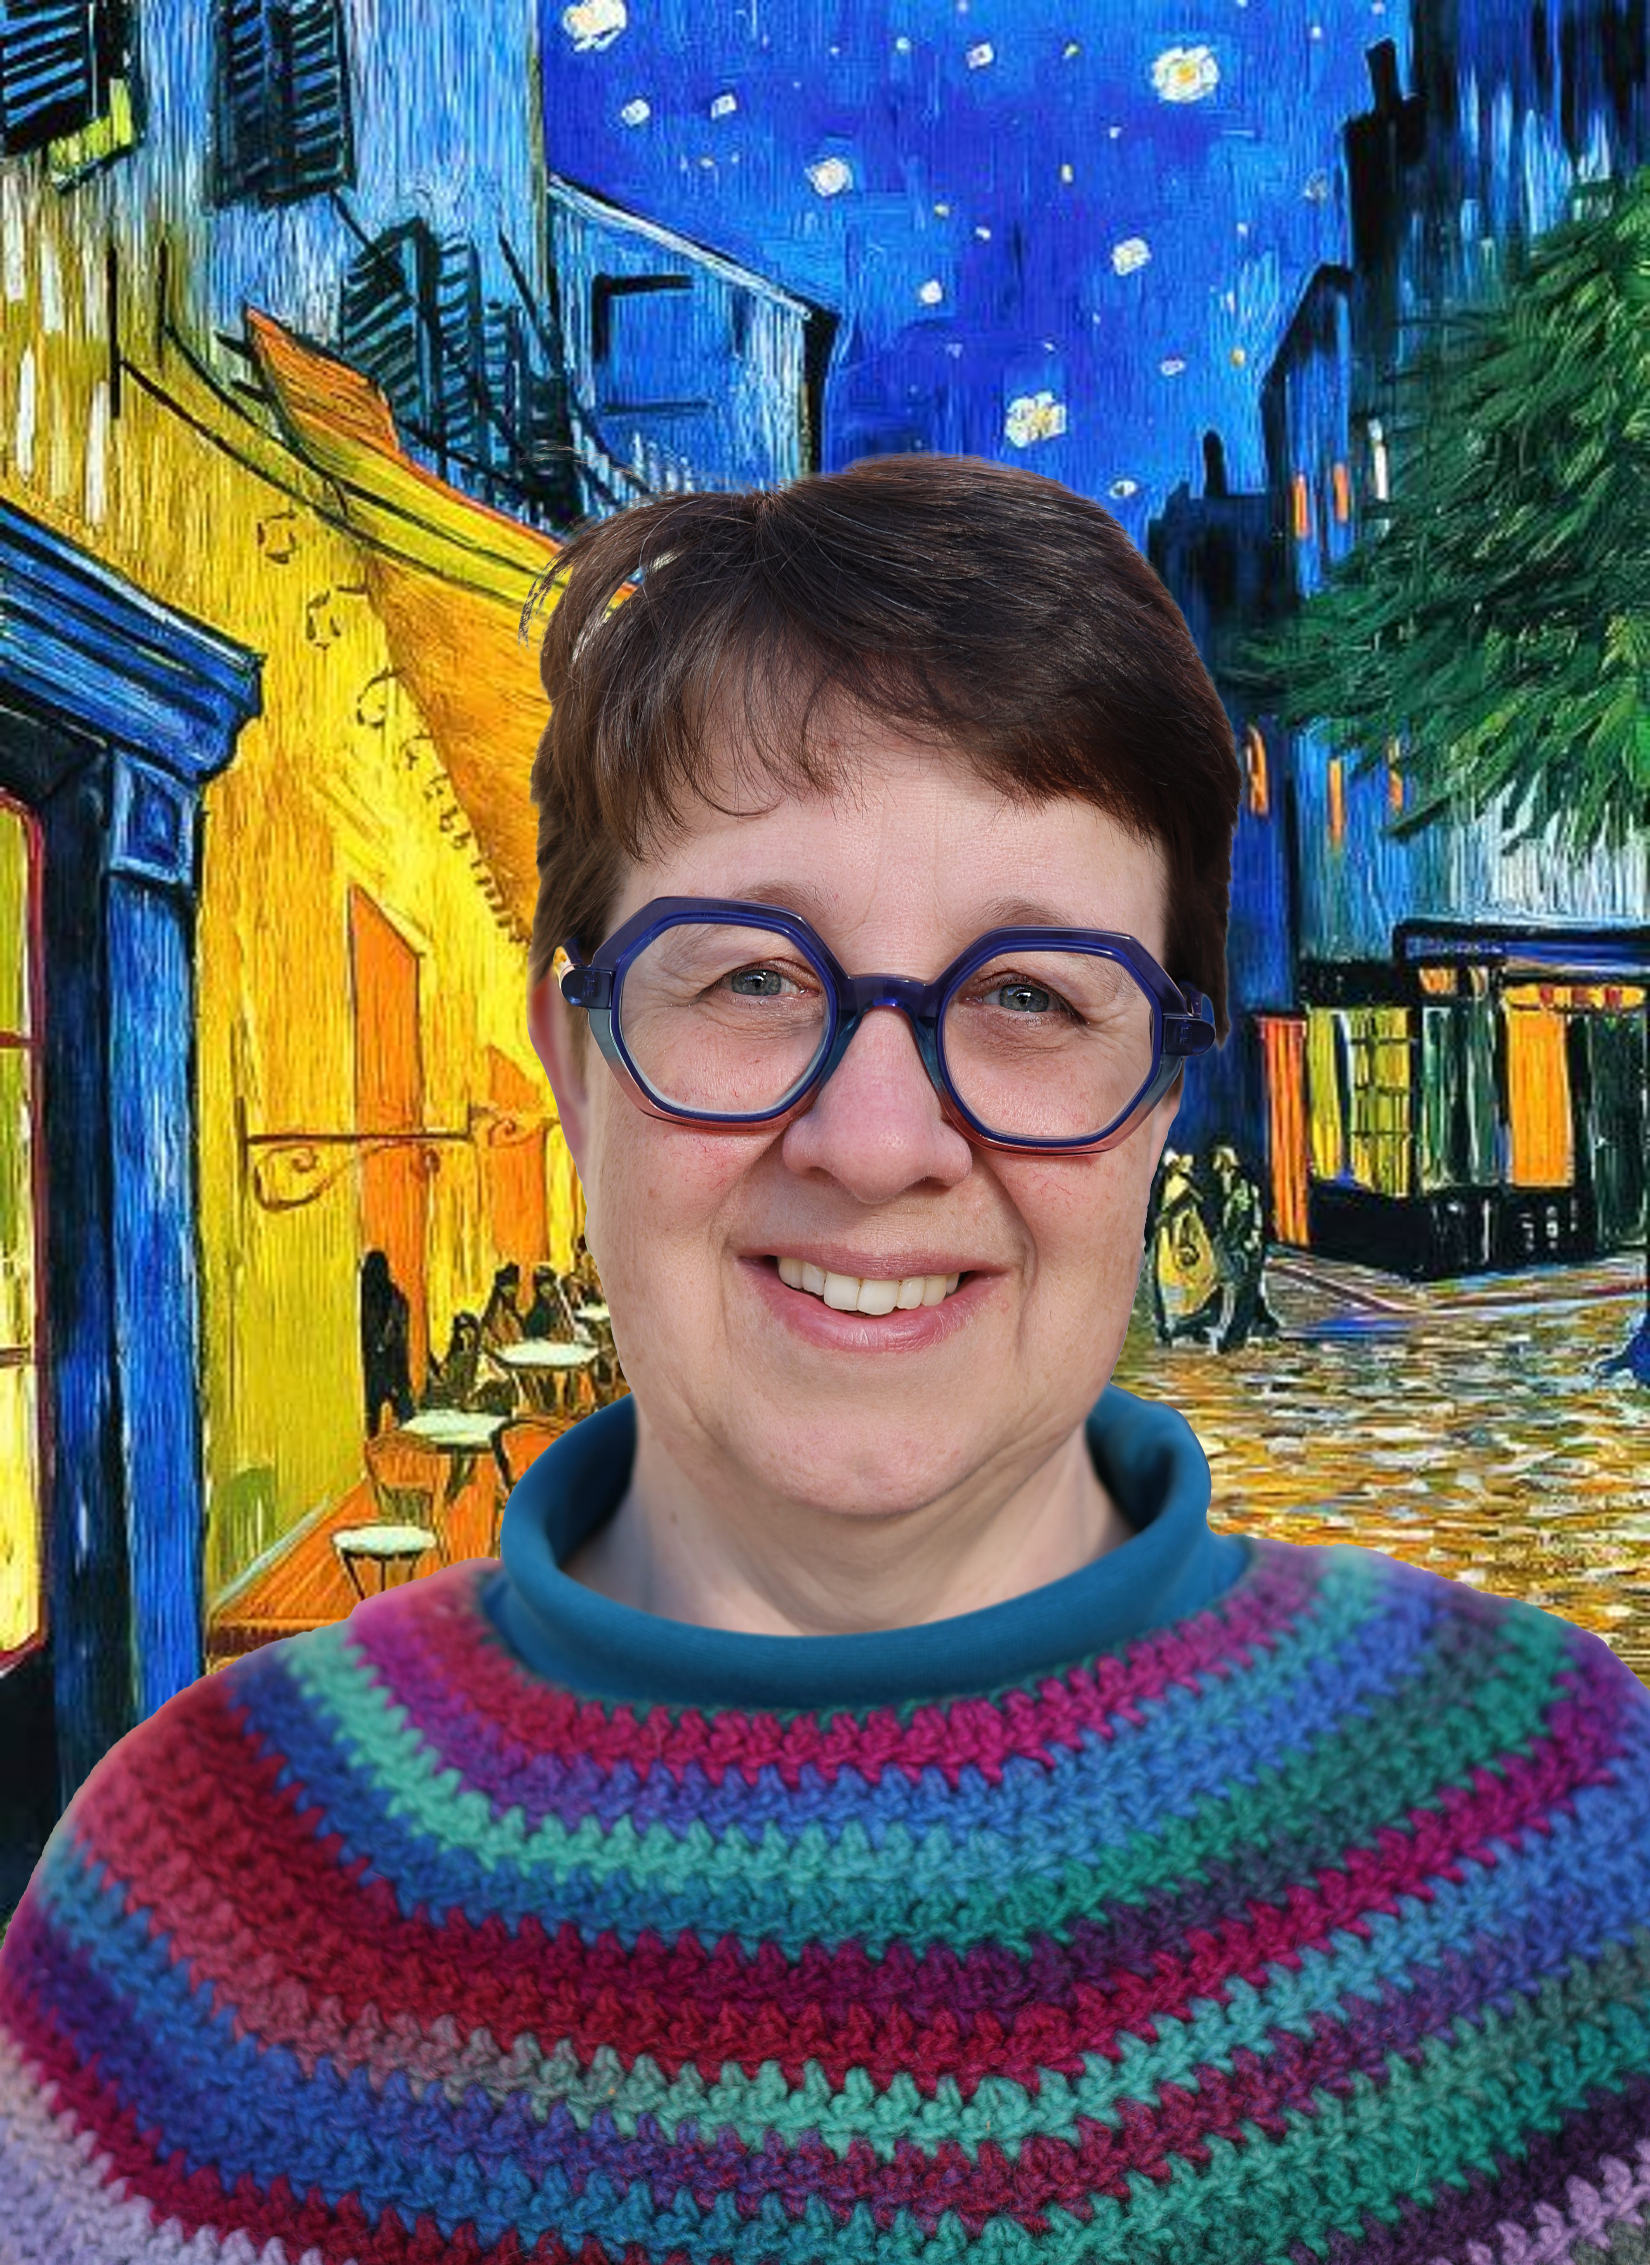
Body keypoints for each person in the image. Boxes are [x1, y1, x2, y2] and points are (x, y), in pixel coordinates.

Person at [4, 458, 1646, 2262]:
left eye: (1028, 995)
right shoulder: (184, 1913)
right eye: (753, 978)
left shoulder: (1565, 1845)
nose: (874, 1143)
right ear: (576, 1055)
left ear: (1159, 1102)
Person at [1205, 1140, 1282, 1354]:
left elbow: (1253, 1216)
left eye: (1216, 1158)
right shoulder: (1224, 1181)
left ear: (1224, 1160)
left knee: (1241, 1294)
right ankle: (1263, 1323)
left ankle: (1233, 1340)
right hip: (1235, 1246)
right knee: (1245, 1290)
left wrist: (1250, 1242)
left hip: (1247, 1247)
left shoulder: (1242, 1184)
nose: (1213, 1163)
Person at [1146, 1145, 1225, 1345]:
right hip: (1177, 1239)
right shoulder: (1176, 1184)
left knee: (1196, 1279)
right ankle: (1180, 1325)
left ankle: (1190, 1325)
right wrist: (1183, 1243)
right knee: (1188, 1279)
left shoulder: (1178, 1183)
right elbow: (1178, 1217)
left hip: (1180, 1237)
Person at [357, 1245, 413, 1435]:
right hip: (388, 1361)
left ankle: (375, 1437)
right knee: (391, 1401)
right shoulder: (394, 1296)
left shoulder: (367, 1294)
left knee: (373, 1407)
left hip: (376, 1361)